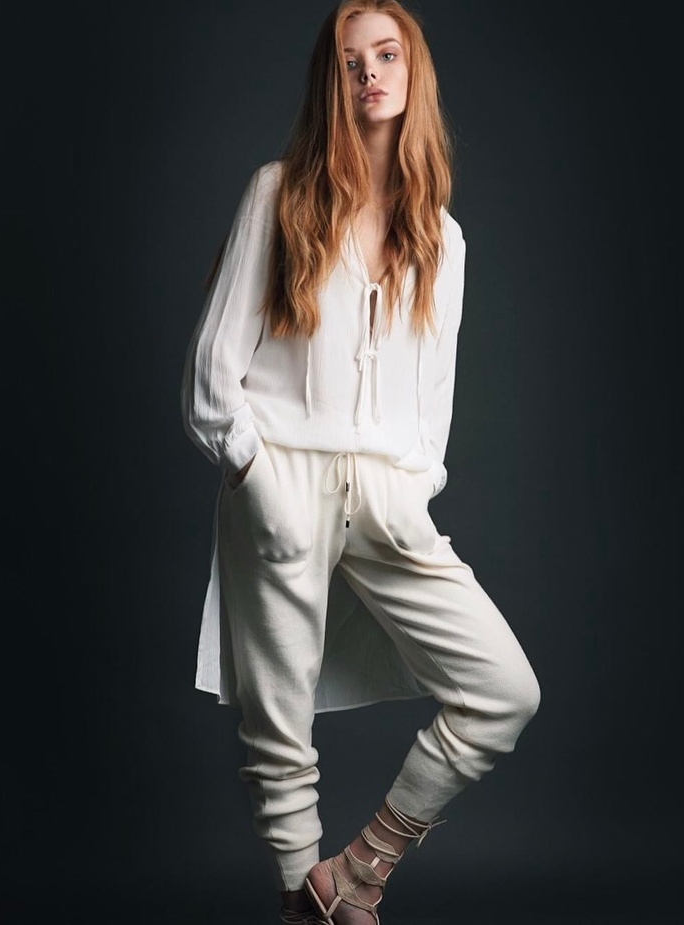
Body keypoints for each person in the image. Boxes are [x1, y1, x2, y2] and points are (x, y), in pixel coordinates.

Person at [181, 2, 541, 922]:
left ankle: (361, 869)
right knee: (280, 721)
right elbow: (212, 376)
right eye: (351, 62)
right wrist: (258, 477)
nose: (370, 74)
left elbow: (433, 408)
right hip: (283, 478)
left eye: (386, 55)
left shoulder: (443, 240)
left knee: (503, 690)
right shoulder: (278, 194)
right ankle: (304, 901)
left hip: (385, 495)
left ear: (413, 73)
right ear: (331, 82)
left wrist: (410, 492)